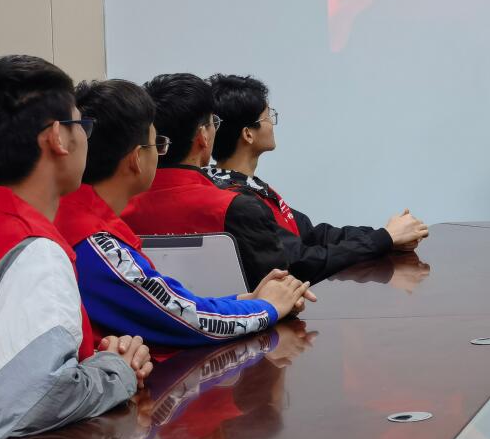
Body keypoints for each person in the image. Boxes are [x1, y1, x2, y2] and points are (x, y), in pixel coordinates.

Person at [0, 55, 150, 439]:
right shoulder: (33, 251)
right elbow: (28, 408)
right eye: (82, 125)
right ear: (58, 138)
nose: (86, 139)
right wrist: (117, 369)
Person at [56, 79, 313, 350]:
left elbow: (173, 303)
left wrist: (248, 301)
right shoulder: (93, 241)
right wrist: (267, 307)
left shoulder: (77, 217)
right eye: (157, 144)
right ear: (136, 159)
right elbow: (186, 317)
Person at [204, 73, 428, 283]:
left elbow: (316, 235)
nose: (272, 123)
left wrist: (388, 237)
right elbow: (301, 262)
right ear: (248, 134)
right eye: (267, 116)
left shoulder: (249, 187)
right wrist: (384, 238)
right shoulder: (238, 203)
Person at [122, 73, 291, 290]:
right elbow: (278, 292)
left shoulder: (120, 209)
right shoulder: (237, 208)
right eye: (214, 123)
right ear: (203, 136)